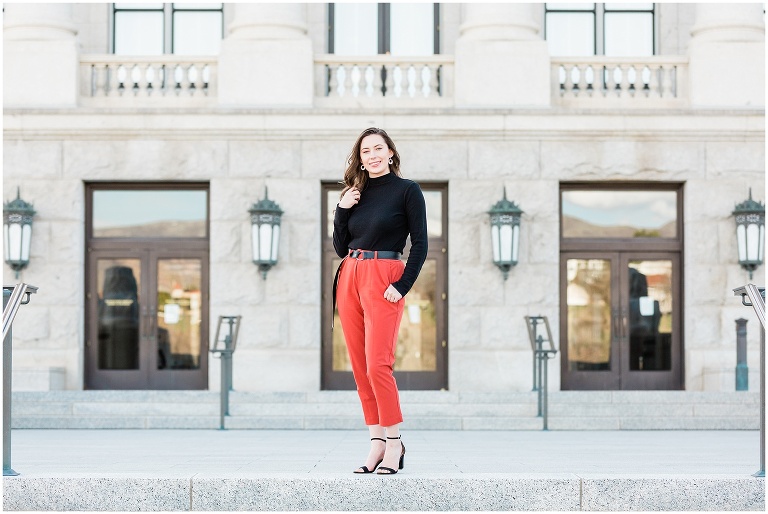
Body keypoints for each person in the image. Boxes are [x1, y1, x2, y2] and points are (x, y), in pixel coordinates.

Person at [332, 127, 428, 475]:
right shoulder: (354, 194)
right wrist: (342, 210)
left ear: (390, 153)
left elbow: (420, 244)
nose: (371, 155)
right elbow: (340, 247)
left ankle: (394, 442)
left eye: (377, 148)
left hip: (384, 275)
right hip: (350, 274)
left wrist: (402, 285)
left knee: (378, 365)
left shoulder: (407, 191)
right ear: (360, 158)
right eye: (365, 151)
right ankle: (375, 441)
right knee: (359, 368)